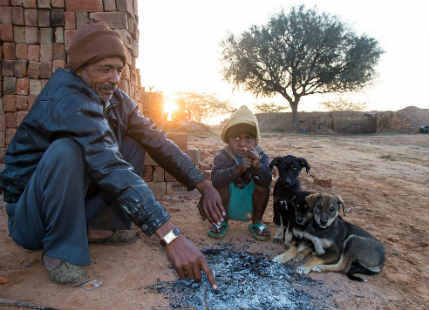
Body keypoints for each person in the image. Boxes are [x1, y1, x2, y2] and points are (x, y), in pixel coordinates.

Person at [0, 22, 225, 288]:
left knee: (135, 139)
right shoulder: (66, 97)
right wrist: (171, 236)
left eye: (118, 70)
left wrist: (204, 183)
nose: (115, 79)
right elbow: (109, 165)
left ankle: (102, 226)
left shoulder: (116, 101)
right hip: (30, 218)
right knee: (67, 151)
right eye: (105, 69)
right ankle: (60, 251)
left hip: (70, 205)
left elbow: (158, 141)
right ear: (80, 69)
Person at [207, 106, 272, 240]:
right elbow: (215, 180)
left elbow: (267, 180)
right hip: (228, 202)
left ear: (255, 141)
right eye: (236, 138)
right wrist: (238, 169)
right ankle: (221, 220)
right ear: (228, 140)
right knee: (221, 182)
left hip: (250, 203)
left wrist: (257, 165)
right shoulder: (223, 155)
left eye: (248, 138)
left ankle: (257, 222)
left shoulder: (260, 155)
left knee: (263, 185)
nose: (242, 143)